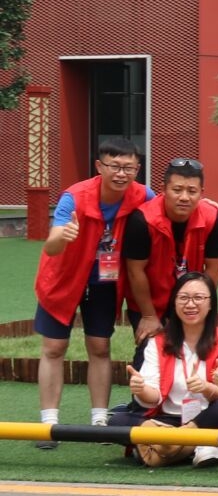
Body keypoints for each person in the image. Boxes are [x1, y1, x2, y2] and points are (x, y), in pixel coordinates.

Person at [35, 138, 153, 436]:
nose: (121, 174)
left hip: (104, 281)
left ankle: (99, 420)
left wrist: (206, 204)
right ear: (99, 166)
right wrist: (63, 236)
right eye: (114, 166)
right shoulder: (74, 197)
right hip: (62, 279)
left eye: (128, 167)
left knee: (100, 347)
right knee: (54, 347)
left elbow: (169, 209)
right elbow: (50, 246)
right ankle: (49, 422)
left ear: (137, 169)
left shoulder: (143, 195)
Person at [114, 275, 218, 466]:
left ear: (211, 304)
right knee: (117, 421)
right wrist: (141, 390)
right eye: (183, 298)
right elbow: (153, 398)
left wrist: (207, 388)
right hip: (166, 420)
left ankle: (162, 447)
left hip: (208, 417)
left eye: (198, 298)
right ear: (174, 303)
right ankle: (196, 445)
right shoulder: (158, 342)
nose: (190, 304)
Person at [122, 157, 218, 366]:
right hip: (149, 300)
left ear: (201, 193)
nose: (184, 197)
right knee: (149, 354)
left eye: (192, 191)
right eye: (177, 190)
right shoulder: (142, 220)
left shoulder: (212, 218)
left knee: (194, 353)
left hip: (191, 298)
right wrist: (149, 316)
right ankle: (142, 388)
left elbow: (214, 269)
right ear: (163, 189)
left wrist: (199, 304)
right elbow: (135, 271)